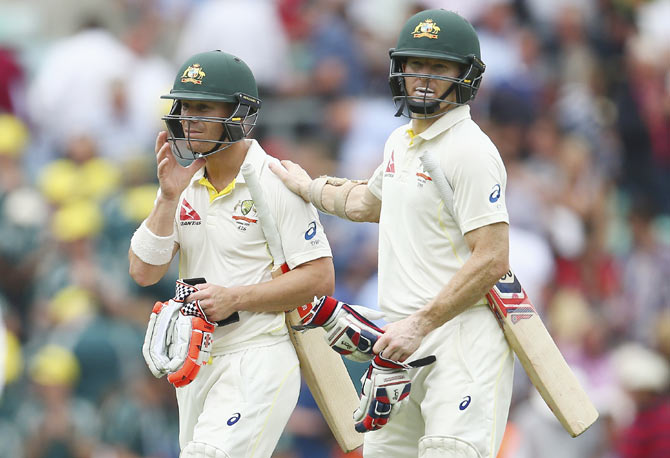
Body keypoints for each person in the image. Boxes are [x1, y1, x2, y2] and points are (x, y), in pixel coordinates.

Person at [270, 9, 514, 458]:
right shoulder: (401, 141)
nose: (423, 77)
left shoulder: (471, 151)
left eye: (438, 67)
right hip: (397, 345)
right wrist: (308, 187)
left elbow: (493, 257)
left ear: (466, 77)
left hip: (460, 341)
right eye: (415, 64)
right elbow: (369, 202)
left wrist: (421, 324)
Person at [128, 50, 334, 458]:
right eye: (184, 106)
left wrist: (234, 297)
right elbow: (143, 272)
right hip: (196, 360)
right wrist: (168, 197)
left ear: (239, 114)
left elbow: (320, 278)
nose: (189, 118)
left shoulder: (274, 180)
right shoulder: (181, 181)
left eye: (203, 107)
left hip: (258, 356)